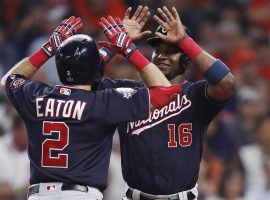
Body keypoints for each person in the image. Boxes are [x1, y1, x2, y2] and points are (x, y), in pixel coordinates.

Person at [0, 15, 181, 200]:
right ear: (97, 69)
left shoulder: (36, 95)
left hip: (40, 195)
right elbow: (165, 91)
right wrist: (127, 48)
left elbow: (9, 80)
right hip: (81, 195)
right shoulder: (104, 102)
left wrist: (48, 48)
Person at [102, 6, 236, 200]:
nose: (162, 55)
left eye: (172, 50)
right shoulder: (129, 92)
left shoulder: (196, 95)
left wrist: (186, 42)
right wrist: (114, 45)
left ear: (187, 60)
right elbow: (84, 82)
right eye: (157, 50)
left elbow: (227, 83)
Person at [0, 115, 29, 200]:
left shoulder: (37, 150)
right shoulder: (1, 147)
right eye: (27, 131)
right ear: (17, 129)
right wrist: (19, 191)